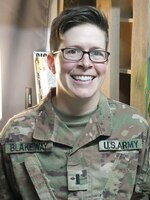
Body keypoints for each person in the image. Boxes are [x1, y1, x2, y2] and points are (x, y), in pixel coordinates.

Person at [0, 5, 150, 200]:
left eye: (97, 53)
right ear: (51, 63)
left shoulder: (135, 127)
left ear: (105, 61)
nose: (86, 64)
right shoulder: (15, 134)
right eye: (73, 51)